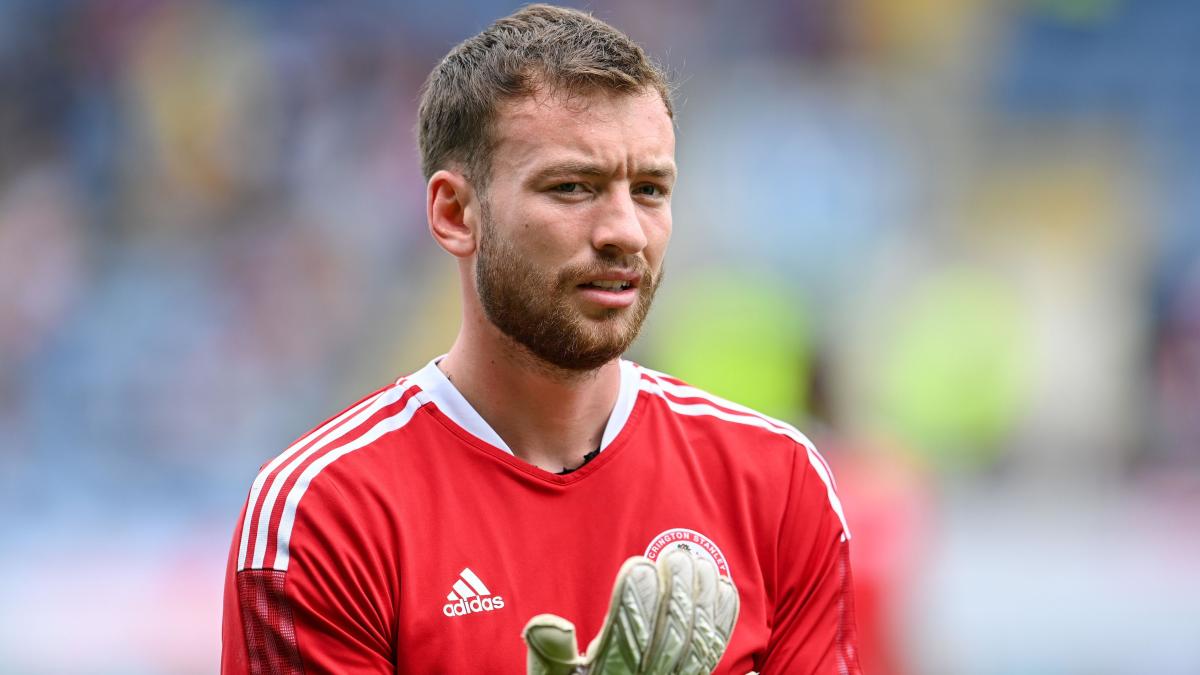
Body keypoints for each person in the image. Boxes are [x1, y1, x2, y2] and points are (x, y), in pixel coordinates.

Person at [221, 5, 861, 674]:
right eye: (572, 187)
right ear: (454, 213)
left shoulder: (777, 482)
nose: (625, 231)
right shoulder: (326, 513)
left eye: (649, 189)